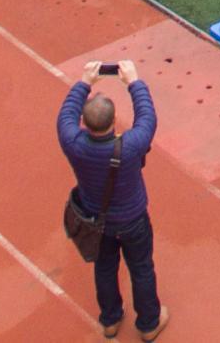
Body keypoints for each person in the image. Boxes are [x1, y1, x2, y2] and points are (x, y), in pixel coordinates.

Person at [59, 61, 166, 341]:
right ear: (113, 121)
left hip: (97, 222)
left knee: (104, 267)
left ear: (85, 123)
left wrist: (84, 82)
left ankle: (110, 319)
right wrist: (134, 82)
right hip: (133, 221)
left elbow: (65, 115)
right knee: (141, 268)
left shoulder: (73, 143)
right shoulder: (130, 145)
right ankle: (149, 323)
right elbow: (147, 118)